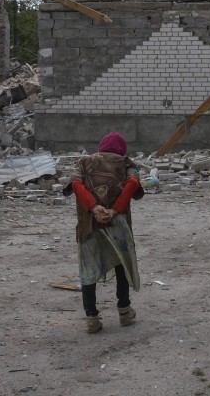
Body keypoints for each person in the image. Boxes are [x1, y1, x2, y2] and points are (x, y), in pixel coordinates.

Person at [63, 131, 144, 333]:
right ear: (121, 149)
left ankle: (92, 318)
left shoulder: (83, 162)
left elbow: (76, 184)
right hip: (118, 224)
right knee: (121, 265)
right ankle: (124, 311)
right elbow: (133, 184)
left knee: (88, 269)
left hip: (89, 224)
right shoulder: (127, 163)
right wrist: (115, 209)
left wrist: (93, 208)